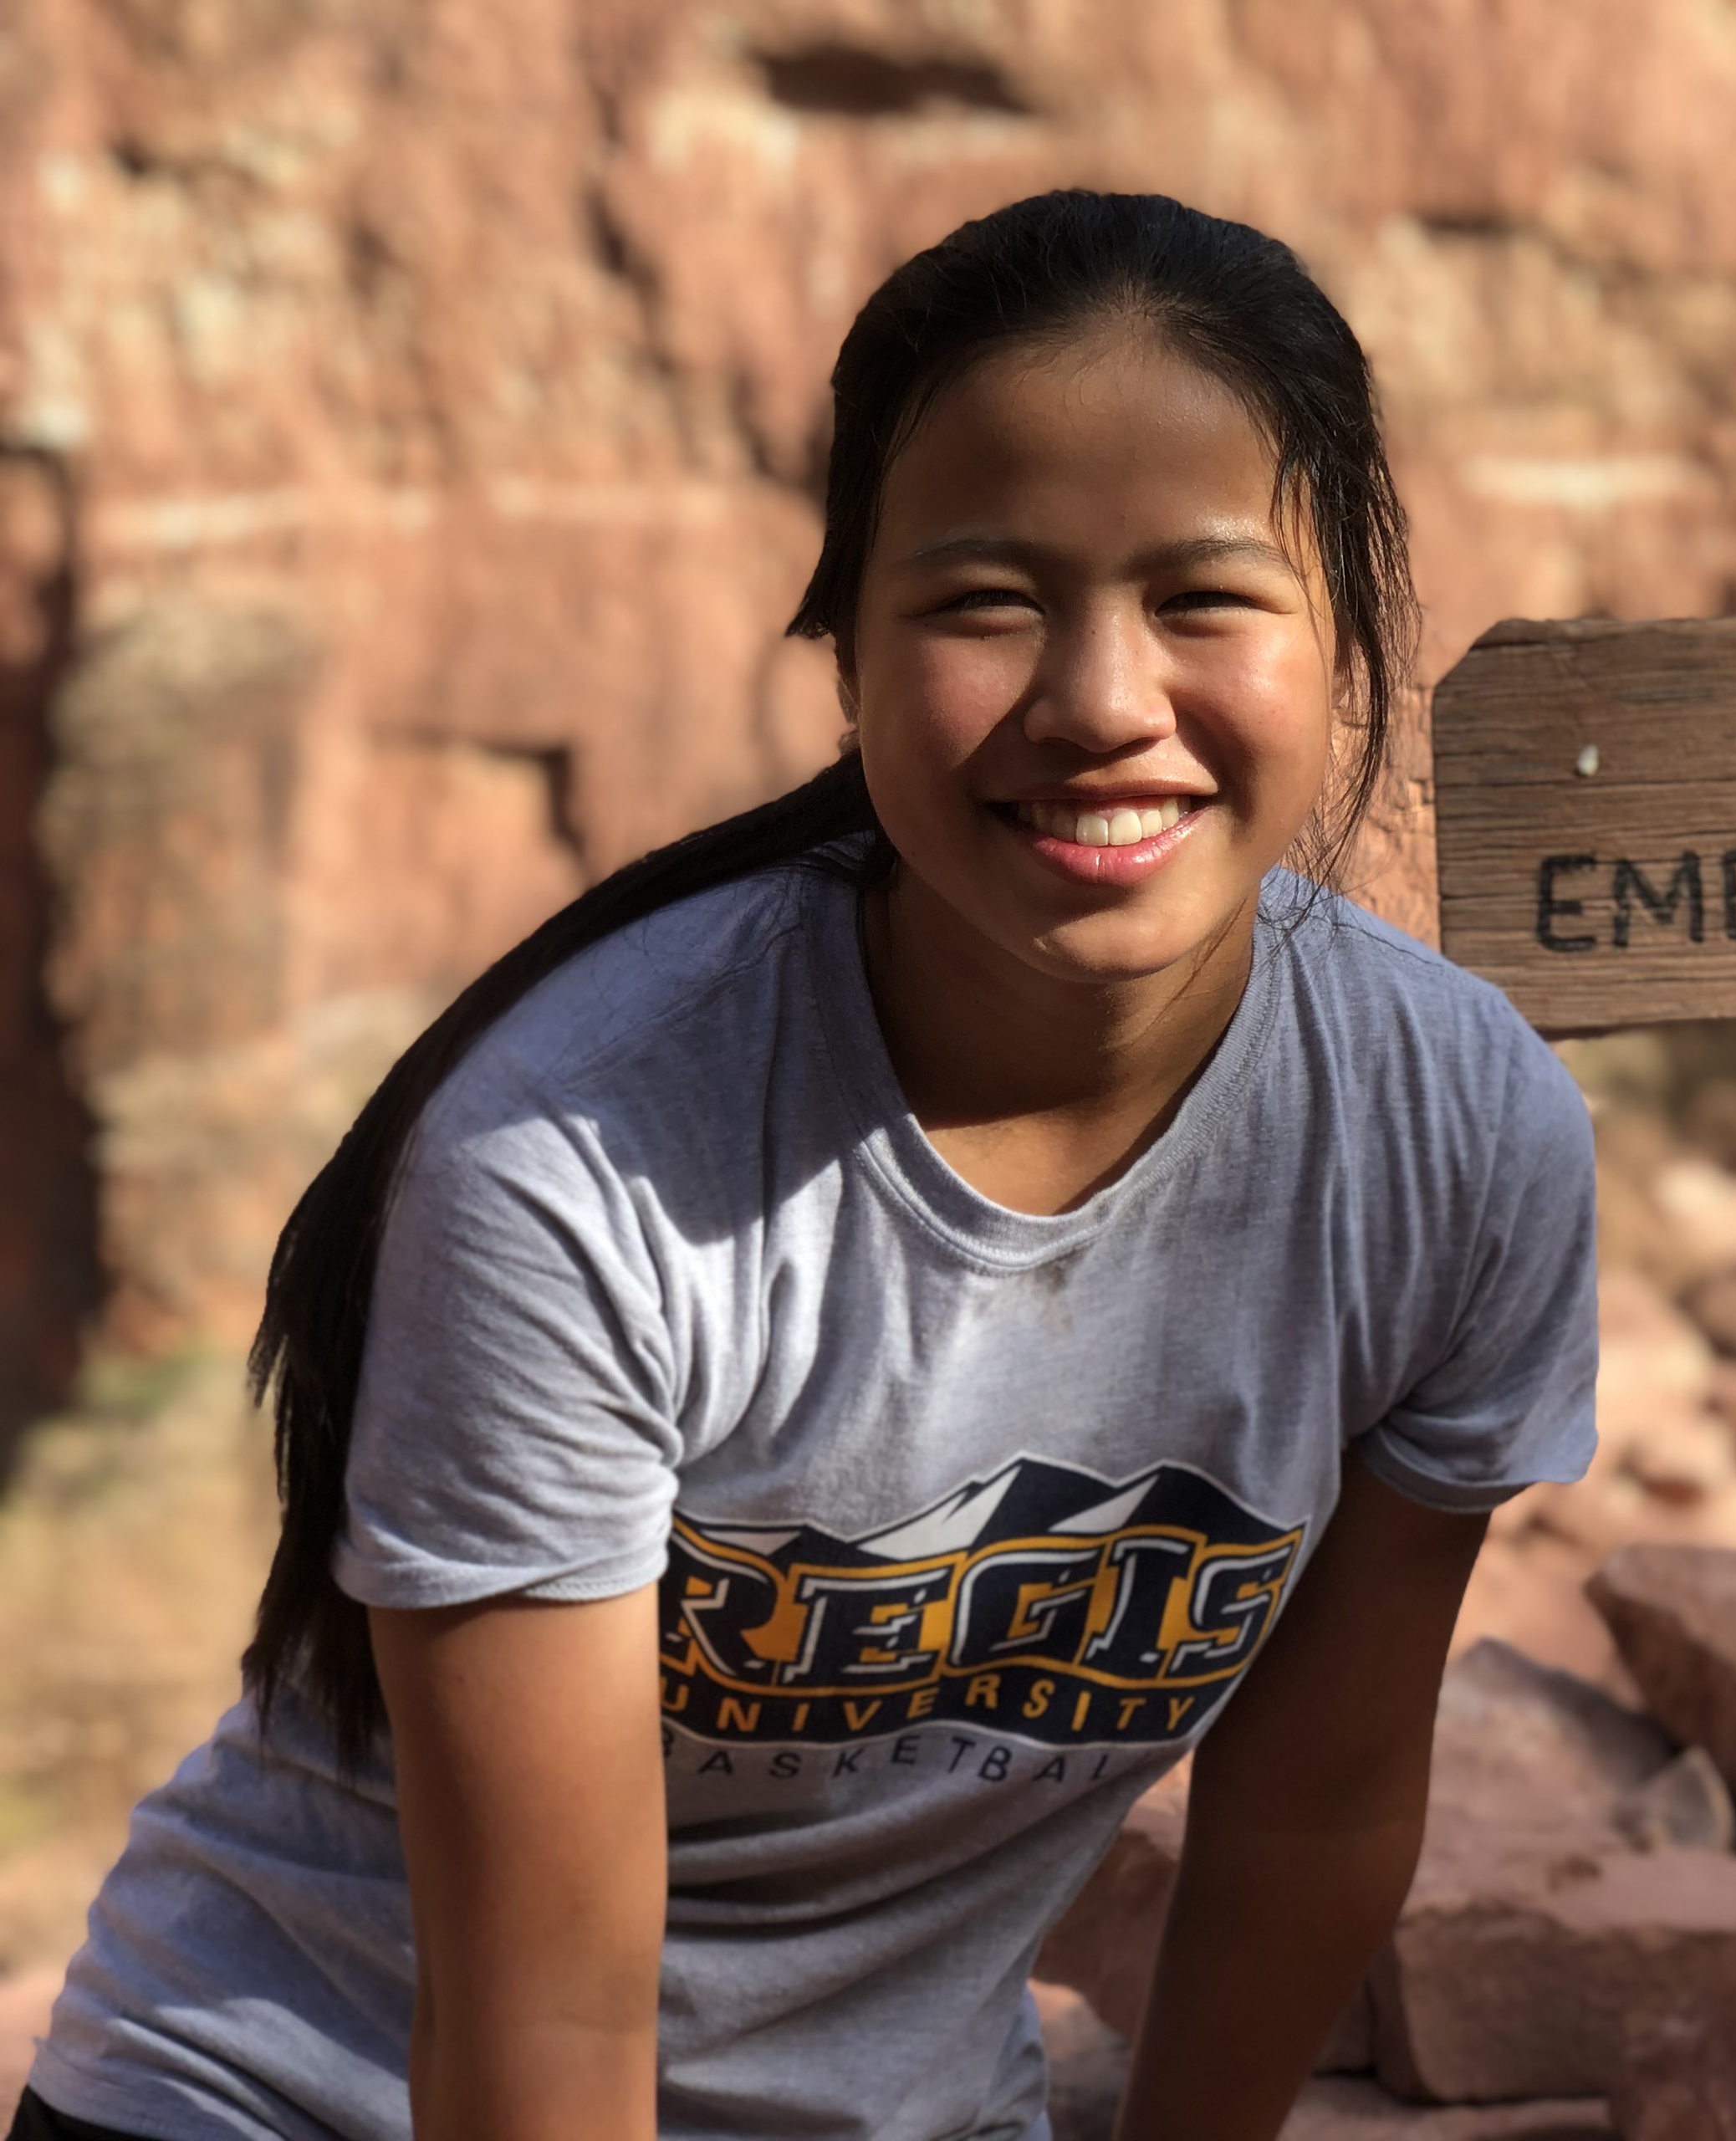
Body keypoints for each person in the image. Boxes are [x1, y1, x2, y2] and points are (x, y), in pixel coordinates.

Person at [12, 189, 1599, 2141]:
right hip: (302, 2089)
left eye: (1203, 597)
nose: (1104, 701)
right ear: (841, 646)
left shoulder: (1454, 1137)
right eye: (984, 599)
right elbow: (544, 2032)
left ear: (1348, 636)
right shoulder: (574, 1162)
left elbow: (1319, 1809)